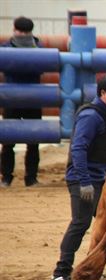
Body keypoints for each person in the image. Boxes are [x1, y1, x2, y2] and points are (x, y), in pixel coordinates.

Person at [51, 74, 106, 280]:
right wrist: (84, 181)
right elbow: (78, 148)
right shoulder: (91, 116)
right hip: (82, 179)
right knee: (80, 223)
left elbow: (104, 153)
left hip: (99, 180)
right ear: (103, 93)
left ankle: (90, 268)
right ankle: (60, 273)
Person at [1, 16, 43, 187]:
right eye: (21, 32)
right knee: (10, 141)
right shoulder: (38, 48)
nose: (23, 35)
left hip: (22, 99)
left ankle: (25, 178)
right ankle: (11, 177)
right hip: (18, 100)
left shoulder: (37, 48)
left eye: (25, 32)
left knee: (30, 142)